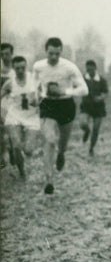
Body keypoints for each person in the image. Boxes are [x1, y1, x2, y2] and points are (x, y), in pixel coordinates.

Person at [32, 37, 88, 194]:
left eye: (57, 54)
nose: (54, 57)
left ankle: (61, 153)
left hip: (65, 105)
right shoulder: (38, 66)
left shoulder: (69, 67)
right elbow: (34, 83)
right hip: (48, 105)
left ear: (60, 52)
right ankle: (48, 179)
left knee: (62, 143)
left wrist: (64, 91)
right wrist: (35, 95)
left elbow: (84, 89)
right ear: (46, 51)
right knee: (49, 140)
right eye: (51, 54)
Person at [0, 55, 41, 178]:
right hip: (14, 117)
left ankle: (19, 151)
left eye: (22, 68)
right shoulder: (9, 83)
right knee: (17, 145)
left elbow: (44, 96)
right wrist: (3, 113)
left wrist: (38, 102)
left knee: (28, 150)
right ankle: (22, 171)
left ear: (26, 66)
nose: (20, 71)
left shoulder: (34, 80)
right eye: (17, 68)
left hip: (31, 117)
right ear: (13, 68)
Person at [78, 59, 109, 156]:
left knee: (96, 128)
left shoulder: (101, 80)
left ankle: (91, 148)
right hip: (86, 106)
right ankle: (87, 131)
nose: (90, 72)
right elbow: (77, 88)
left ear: (95, 69)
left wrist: (101, 97)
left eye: (91, 70)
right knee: (83, 123)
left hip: (98, 107)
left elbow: (106, 92)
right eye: (88, 70)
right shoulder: (82, 79)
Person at [1, 42, 15, 168]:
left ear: (12, 54)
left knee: (10, 131)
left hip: (11, 104)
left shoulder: (16, 70)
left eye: (7, 54)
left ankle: (11, 151)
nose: (4, 57)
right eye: (2, 54)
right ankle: (3, 155)